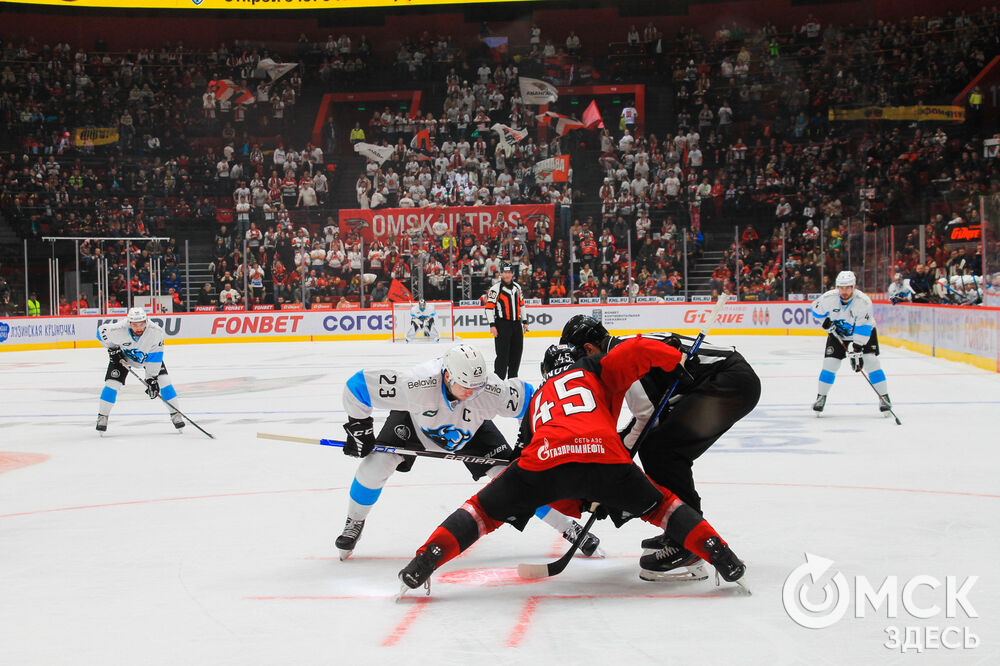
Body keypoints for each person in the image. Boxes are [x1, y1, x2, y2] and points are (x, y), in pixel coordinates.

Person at [397, 340, 748, 596]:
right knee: (661, 505)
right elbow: (633, 352)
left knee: (482, 510)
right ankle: (720, 554)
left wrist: (573, 501)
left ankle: (426, 559)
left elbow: (532, 466)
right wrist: (674, 360)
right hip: (604, 457)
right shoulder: (593, 367)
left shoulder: (537, 397)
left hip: (544, 461)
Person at [336, 344, 601, 560]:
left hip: (472, 430)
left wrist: (526, 443)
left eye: (478, 386)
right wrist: (360, 428)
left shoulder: (489, 390)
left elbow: (537, 400)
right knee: (376, 465)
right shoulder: (417, 384)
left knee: (517, 479)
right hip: (415, 425)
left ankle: (569, 528)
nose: (473, 393)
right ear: (447, 377)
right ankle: (354, 521)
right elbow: (358, 385)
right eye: (466, 387)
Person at [559, 314, 760, 581]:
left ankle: (687, 541)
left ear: (589, 349)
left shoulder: (620, 359)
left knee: (662, 451)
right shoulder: (624, 348)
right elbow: (647, 416)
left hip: (731, 382)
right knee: (660, 447)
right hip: (728, 379)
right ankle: (684, 528)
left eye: (582, 359)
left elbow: (646, 418)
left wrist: (614, 464)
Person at [810, 271, 890, 414]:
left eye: (847, 288)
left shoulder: (863, 302)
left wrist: (857, 348)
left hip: (863, 334)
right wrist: (825, 322)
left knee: (871, 361)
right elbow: (815, 311)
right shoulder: (829, 298)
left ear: (853, 287)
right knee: (830, 364)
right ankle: (820, 397)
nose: (844, 291)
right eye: (841, 287)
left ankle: (884, 397)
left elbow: (863, 328)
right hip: (838, 333)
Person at [96, 307, 184, 433]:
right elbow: (100, 333)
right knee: (112, 384)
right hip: (123, 357)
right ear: (129, 323)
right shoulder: (117, 329)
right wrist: (112, 349)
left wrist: (151, 379)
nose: (138, 328)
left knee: (164, 381)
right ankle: (102, 417)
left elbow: (156, 357)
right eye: (135, 325)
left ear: (146, 322)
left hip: (148, 357)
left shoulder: (155, 332)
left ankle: (176, 414)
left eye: (141, 324)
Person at [485, 263, 527, 379]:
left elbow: (522, 305)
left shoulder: (517, 287)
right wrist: (492, 325)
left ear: (512, 274)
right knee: (502, 356)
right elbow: (489, 308)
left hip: (516, 325)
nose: (507, 275)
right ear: (501, 274)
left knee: (516, 355)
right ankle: (499, 381)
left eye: (509, 272)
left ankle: (513, 381)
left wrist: (525, 322)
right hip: (502, 325)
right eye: (505, 272)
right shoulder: (495, 289)